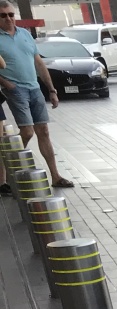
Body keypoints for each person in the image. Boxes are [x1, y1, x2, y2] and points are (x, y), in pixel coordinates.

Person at [0, 2, 70, 193]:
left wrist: (52, 90)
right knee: (28, 131)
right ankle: (8, 171)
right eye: (3, 15)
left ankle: (55, 176)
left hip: (34, 88)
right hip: (15, 89)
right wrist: (6, 84)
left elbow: (39, 63)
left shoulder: (24, 34)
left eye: (11, 14)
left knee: (44, 131)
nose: (8, 18)